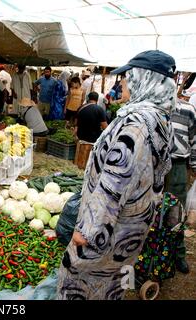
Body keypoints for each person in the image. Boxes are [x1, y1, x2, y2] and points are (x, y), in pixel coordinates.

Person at [57, 50, 177, 300]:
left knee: (80, 286)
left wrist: (87, 232)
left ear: (144, 80)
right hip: (131, 231)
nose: (121, 82)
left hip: (107, 234)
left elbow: (114, 182)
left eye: (127, 77)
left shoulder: (135, 126)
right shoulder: (160, 120)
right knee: (117, 284)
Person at [164, 97, 196, 274]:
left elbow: (195, 140)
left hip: (177, 165)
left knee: (177, 212)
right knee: (149, 210)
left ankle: (178, 254)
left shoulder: (187, 109)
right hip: (153, 165)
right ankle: (147, 251)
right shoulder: (150, 104)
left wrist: (194, 166)